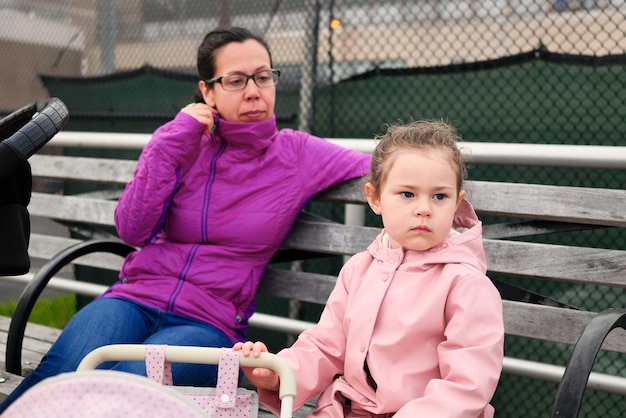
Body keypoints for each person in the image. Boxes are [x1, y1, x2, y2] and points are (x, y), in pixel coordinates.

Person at [0, 26, 370, 413]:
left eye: (263, 77)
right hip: (133, 298)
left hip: (209, 323)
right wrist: (172, 141)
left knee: (132, 377)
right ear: (207, 91)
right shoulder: (181, 141)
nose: (253, 90)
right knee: (61, 372)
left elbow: (385, 166)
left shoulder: (298, 154)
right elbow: (132, 228)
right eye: (235, 80)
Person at [235, 120, 505, 418]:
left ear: (456, 204)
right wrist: (279, 374)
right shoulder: (359, 269)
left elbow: (467, 386)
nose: (424, 208)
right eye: (407, 194)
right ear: (375, 198)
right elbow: (327, 347)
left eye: (439, 196)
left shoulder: (466, 283)